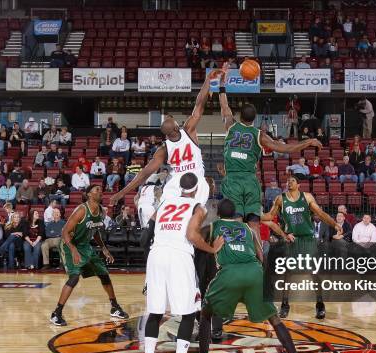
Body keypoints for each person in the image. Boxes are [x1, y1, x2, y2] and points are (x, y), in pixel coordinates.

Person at [195, 197, 311, 353]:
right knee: (274, 319)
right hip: (254, 272)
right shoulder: (248, 228)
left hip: (230, 273)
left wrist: (210, 246)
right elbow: (260, 254)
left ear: (217, 214)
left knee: (205, 314)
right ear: (235, 214)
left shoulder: (212, 227)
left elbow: (194, 239)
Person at [216, 64, 322, 240]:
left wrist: (222, 82)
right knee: (254, 224)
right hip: (250, 180)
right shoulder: (260, 135)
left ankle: (236, 256)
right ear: (254, 119)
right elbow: (286, 148)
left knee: (234, 222)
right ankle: (258, 261)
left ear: (239, 115)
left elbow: (224, 105)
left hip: (232, 179)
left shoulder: (230, 125)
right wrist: (309, 141)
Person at [141, 173, 224, 353]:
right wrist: (212, 249)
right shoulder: (198, 207)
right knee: (188, 313)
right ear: (197, 189)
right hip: (179, 256)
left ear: (179, 186)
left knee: (155, 312)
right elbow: (192, 236)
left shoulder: (164, 203)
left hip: (156, 254)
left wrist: (150, 259)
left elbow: (145, 236)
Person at [110, 71, 223, 209]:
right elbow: (199, 104)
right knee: (192, 219)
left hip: (175, 185)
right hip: (196, 184)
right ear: (176, 129)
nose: (177, 122)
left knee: (166, 216)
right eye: (175, 122)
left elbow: (144, 174)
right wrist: (208, 80)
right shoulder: (188, 131)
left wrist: (121, 193)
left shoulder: (163, 150)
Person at [263, 175, 341, 319]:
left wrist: (334, 224)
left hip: (307, 239)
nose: (289, 182)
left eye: (292, 181)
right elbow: (269, 216)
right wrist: (253, 215)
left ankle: (319, 304)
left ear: (299, 185)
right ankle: (285, 305)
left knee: (314, 272)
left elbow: (321, 213)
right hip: (292, 240)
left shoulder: (307, 197)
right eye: (288, 181)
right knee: (288, 273)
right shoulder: (281, 199)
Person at [50, 184, 128, 326]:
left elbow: (95, 230)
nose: (100, 191)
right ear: (89, 195)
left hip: (85, 246)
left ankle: (115, 307)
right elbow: (64, 232)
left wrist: (104, 248)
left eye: (101, 189)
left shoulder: (101, 212)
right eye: (97, 190)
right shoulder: (81, 210)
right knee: (74, 277)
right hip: (69, 245)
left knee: (104, 274)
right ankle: (56, 313)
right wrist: (73, 250)